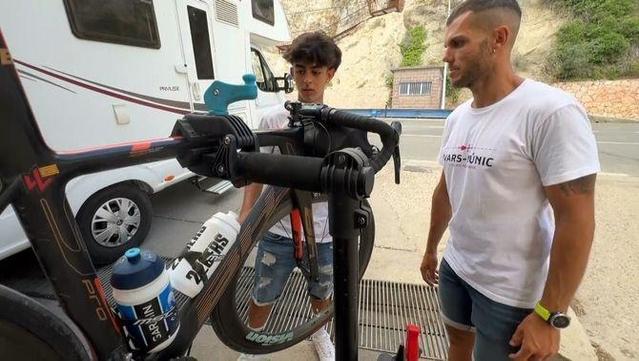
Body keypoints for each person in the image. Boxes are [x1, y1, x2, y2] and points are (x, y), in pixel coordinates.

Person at [419, 1, 600, 360]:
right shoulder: (457, 118)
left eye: (458, 44)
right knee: (457, 346)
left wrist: (550, 315)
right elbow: (446, 190)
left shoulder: (550, 111)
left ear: (498, 39)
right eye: (446, 45)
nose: (445, 56)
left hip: (509, 293)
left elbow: (577, 220)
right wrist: (431, 248)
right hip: (456, 269)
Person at [237, 31, 341, 361]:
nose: (307, 80)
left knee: (321, 289)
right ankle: (253, 345)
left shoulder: (341, 125)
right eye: (300, 70)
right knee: (264, 290)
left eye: (315, 71)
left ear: (330, 73)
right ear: (292, 73)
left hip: (324, 232)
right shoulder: (273, 119)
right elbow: (255, 168)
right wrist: (246, 214)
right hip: (277, 229)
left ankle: (319, 333)